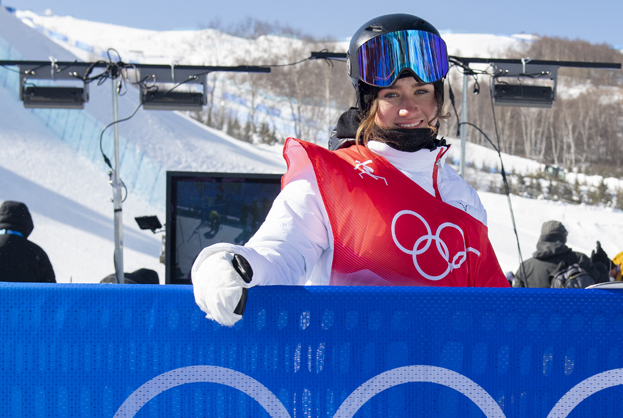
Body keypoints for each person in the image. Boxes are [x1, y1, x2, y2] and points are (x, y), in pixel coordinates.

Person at [191, 14, 508, 326]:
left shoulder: (461, 197)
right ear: (368, 103)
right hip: (349, 356)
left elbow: (492, 303)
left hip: (439, 358)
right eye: (391, 94)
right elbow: (281, 254)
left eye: (421, 91)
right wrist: (227, 264)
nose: (408, 109)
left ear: (438, 98)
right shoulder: (332, 180)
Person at [511, 221, 608, 288]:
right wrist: (600, 263)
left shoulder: (525, 267)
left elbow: (516, 299)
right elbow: (603, 286)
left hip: (535, 313)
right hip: (573, 312)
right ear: (563, 238)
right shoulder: (579, 260)